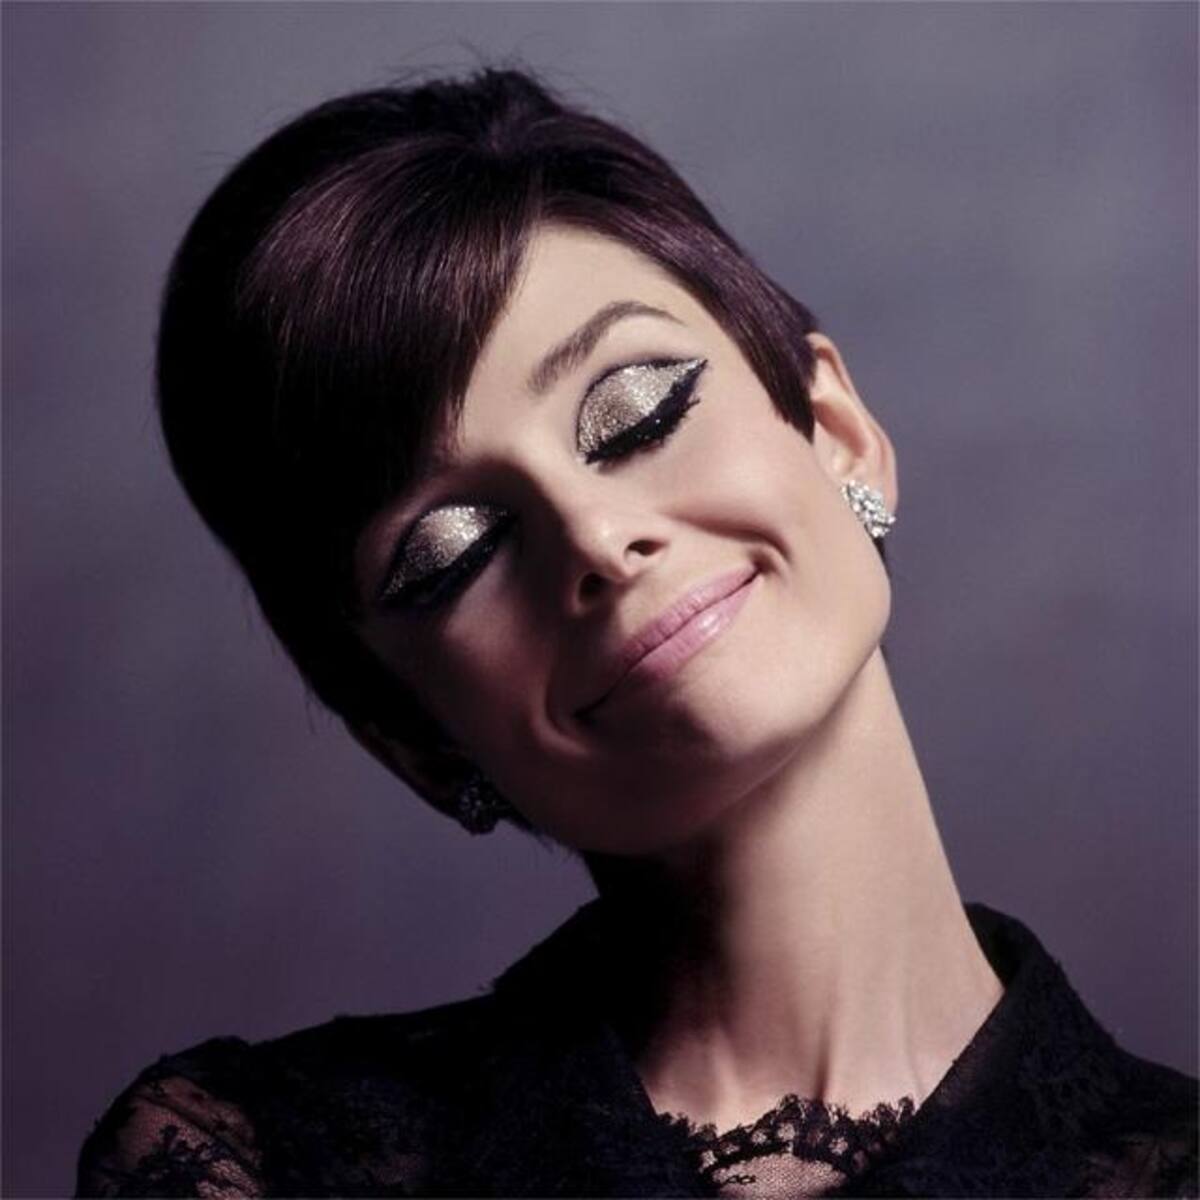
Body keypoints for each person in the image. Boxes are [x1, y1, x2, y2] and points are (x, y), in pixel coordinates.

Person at [76, 68, 1196, 1198]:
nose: (598, 540)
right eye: (453, 551)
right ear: (411, 739)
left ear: (838, 432)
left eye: (638, 411)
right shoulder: (246, 1161)